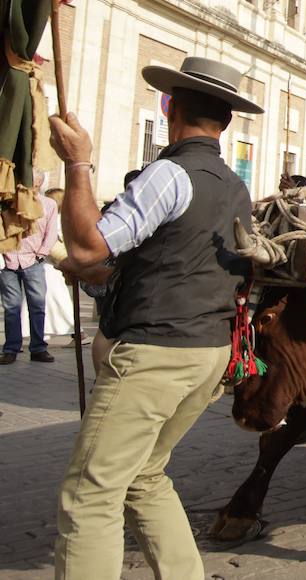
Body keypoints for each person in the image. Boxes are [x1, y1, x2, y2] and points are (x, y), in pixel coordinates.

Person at [48, 56, 263, 579]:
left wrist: (78, 164)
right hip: (208, 352)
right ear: (225, 122)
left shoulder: (169, 174)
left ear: (173, 108)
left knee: (90, 491)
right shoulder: (236, 188)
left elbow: (87, 244)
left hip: (156, 354)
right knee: (144, 474)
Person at [1, 188, 61, 364]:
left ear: (39, 184)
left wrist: (40, 254)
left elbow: (51, 233)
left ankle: (38, 348)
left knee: (37, 306)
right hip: (8, 260)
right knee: (11, 308)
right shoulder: (7, 201)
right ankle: (11, 349)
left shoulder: (48, 204)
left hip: (33, 261)